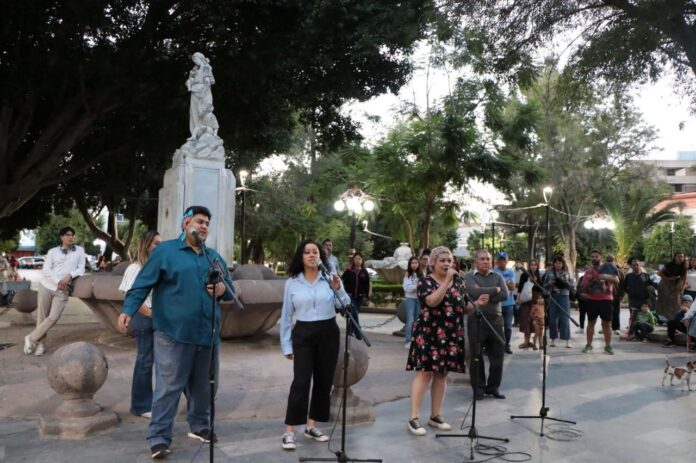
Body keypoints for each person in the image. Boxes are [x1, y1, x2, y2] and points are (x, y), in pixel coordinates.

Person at [117, 206, 235, 459]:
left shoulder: (213, 257)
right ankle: (159, 437)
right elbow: (142, 284)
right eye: (200, 221)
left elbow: (230, 288)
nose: (204, 227)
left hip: (207, 334)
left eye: (207, 223)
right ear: (185, 224)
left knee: (204, 386)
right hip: (173, 333)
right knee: (169, 387)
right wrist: (128, 310)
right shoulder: (165, 252)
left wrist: (222, 290)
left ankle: (199, 425)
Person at [406, 246, 487, 436]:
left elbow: (462, 308)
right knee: (424, 373)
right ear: (433, 263)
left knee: (442, 374)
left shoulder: (458, 282)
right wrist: (447, 282)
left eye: (449, 261)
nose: (447, 264)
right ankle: (413, 418)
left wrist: (477, 304)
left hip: (451, 333)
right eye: (442, 260)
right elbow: (432, 301)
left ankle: (435, 415)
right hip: (429, 333)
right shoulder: (425, 282)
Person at [280, 240, 351, 450]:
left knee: (323, 381)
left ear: (321, 257)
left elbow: (344, 304)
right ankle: (289, 431)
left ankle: (312, 426)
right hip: (303, 333)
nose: (312, 255)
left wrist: (339, 289)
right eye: (307, 252)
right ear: (301, 257)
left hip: (328, 332)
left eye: (315, 252)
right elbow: (286, 315)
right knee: (301, 382)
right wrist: (286, 345)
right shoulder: (292, 282)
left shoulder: (330, 279)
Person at [118, 231, 162, 418]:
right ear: (146, 246)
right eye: (156, 243)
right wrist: (152, 314)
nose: (160, 246)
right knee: (145, 361)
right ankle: (141, 406)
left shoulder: (154, 266)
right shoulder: (135, 268)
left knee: (166, 360)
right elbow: (130, 296)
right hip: (144, 318)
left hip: (156, 318)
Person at [24, 227, 86, 356]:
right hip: (47, 286)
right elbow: (46, 270)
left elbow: (81, 269)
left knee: (54, 317)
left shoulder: (80, 251)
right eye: (68, 235)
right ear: (61, 237)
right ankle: (40, 345)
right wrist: (58, 282)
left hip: (63, 290)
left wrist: (70, 275)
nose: (71, 237)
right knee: (42, 316)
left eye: (72, 235)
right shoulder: (52, 251)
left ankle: (31, 338)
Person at [464, 249, 509, 400]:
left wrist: (484, 293)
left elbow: (504, 295)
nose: (486, 262)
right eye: (482, 259)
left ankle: (493, 387)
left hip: (496, 320)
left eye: (488, 259)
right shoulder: (470, 276)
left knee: (498, 356)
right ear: (475, 261)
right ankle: (479, 389)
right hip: (477, 320)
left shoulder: (498, 276)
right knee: (476, 357)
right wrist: (494, 290)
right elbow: (472, 292)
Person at [578, 250, 620, 355]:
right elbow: (582, 287)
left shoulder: (608, 268)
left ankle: (608, 346)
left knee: (606, 324)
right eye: (592, 256)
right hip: (592, 301)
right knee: (591, 323)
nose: (594, 258)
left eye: (596, 256)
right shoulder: (588, 272)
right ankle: (589, 345)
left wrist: (603, 277)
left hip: (606, 300)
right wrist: (586, 287)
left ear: (600, 257)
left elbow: (617, 280)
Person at [542, 255, 575, 349]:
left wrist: (564, 283)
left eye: (560, 263)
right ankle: (553, 339)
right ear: (553, 264)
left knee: (565, 318)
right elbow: (543, 286)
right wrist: (549, 284)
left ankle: (567, 340)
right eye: (556, 263)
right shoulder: (549, 274)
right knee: (552, 319)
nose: (558, 264)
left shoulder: (567, 273)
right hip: (553, 297)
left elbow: (573, 286)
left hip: (564, 296)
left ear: (563, 264)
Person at [341, 251, 370, 340]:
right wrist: (344, 292)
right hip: (350, 296)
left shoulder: (364, 272)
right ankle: (358, 332)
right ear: (353, 260)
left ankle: (350, 330)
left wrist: (366, 296)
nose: (358, 260)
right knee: (354, 313)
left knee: (354, 314)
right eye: (356, 259)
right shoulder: (349, 271)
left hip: (360, 297)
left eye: (359, 259)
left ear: (362, 260)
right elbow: (342, 281)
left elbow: (367, 285)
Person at [493, 252, 516, 354]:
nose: (502, 262)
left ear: (507, 261)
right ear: (497, 261)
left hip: (509, 303)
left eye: (504, 260)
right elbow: (494, 287)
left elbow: (512, 287)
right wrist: (506, 283)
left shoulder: (511, 272)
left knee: (508, 327)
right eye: (500, 260)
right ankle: (497, 345)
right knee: (496, 326)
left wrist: (505, 284)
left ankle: (507, 345)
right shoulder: (493, 272)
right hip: (496, 304)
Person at [517, 259, 542, 349]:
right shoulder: (525, 274)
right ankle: (526, 341)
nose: (533, 266)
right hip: (526, 299)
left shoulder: (539, 275)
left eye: (535, 265)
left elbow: (541, 288)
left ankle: (533, 342)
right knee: (525, 320)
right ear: (529, 266)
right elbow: (520, 287)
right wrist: (518, 298)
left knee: (534, 321)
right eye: (532, 265)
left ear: (537, 266)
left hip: (536, 300)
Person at [657, 252, 687, 320]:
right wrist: (669, 278)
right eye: (678, 256)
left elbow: (684, 278)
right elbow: (659, 273)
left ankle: (673, 320)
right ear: (675, 257)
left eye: (682, 256)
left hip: (675, 285)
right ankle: (666, 320)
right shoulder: (669, 264)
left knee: (676, 303)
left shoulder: (684, 266)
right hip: (665, 284)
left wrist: (682, 288)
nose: (680, 258)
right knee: (665, 303)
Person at [402, 256, 423, 349]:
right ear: (409, 264)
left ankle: (416, 340)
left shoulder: (421, 274)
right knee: (410, 320)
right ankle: (408, 340)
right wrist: (416, 286)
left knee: (417, 321)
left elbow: (423, 287)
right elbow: (406, 288)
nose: (414, 265)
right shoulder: (408, 274)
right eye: (412, 263)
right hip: (410, 299)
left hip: (419, 299)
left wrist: (415, 286)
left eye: (416, 263)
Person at [606, 255, 625, 335]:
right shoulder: (604, 270)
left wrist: (622, 295)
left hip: (616, 295)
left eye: (611, 260)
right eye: (608, 260)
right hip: (606, 295)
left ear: (614, 261)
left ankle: (616, 328)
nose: (610, 262)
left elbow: (623, 284)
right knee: (606, 312)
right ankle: (606, 327)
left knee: (616, 311)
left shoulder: (619, 271)